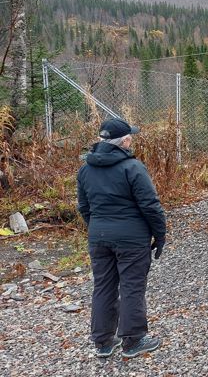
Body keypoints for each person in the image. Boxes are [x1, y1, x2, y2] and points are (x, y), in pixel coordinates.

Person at [77, 118, 165, 359]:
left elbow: (84, 207)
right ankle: (133, 340)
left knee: (103, 286)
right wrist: (160, 234)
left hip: (99, 236)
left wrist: (98, 228)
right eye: (130, 137)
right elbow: (150, 205)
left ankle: (103, 341)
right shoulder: (133, 168)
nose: (132, 140)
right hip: (131, 238)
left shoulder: (86, 169)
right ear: (125, 141)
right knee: (132, 286)